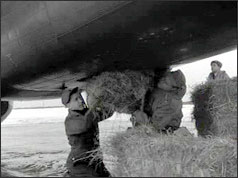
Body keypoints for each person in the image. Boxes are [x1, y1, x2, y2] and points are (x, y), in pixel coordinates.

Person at [61, 87, 110, 177]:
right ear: (68, 105)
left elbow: (107, 113)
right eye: (76, 99)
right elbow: (85, 124)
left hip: (95, 160)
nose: (80, 101)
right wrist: (94, 100)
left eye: (80, 97)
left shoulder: (88, 113)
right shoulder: (70, 120)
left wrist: (111, 100)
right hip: (79, 163)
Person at [131, 69, 186, 133]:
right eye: (164, 78)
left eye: (165, 82)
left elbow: (155, 126)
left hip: (163, 132)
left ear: (172, 88)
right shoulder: (162, 90)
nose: (162, 80)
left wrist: (139, 116)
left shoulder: (169, 103)